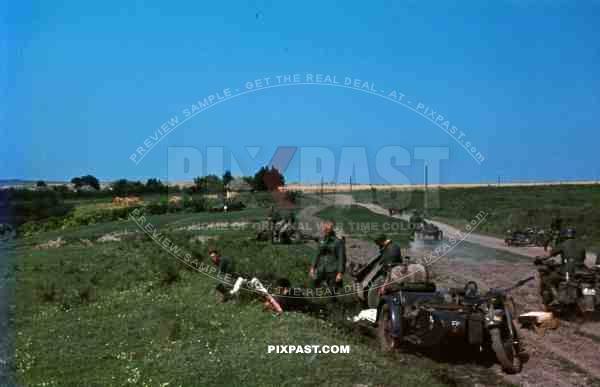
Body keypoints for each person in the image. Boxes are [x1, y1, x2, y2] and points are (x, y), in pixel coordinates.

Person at [536, 228, 586, 305]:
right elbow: (582, 258)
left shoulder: (563, 244)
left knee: (548, 280)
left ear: (564, 235)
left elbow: (548, 255)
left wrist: (539, 258)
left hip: (568, 270)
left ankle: (557, 299)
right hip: (581, 270)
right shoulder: (581, 245)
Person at [309, 221, 346, 297]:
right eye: (324, 228)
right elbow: (317, 254)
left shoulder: (338, 242)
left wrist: (340, 272)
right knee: (315, 286)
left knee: (333, 291)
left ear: (332, 229)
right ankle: (317, 302)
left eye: (327, 228)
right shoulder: (321, 240)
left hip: (333, 269)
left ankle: (333, 304)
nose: (325, 230)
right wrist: (312, 267)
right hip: (321, 268)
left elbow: (341, 258)